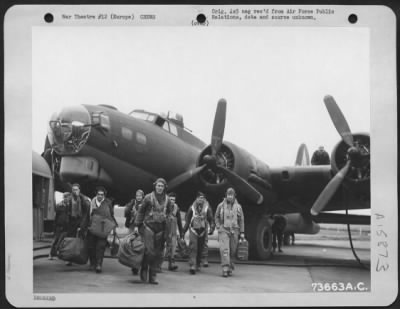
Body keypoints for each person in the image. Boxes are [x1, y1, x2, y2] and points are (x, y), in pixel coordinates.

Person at [133, 178, 172, 284]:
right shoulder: (148, 198)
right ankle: (144, 269)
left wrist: (169, 230)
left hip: (161, 230)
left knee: (158, 254)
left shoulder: (168, 200)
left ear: (164, 188)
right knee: (149, 251)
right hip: (149, 227)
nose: (159, 188)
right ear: (155, 186)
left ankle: (153, 275)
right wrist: (137, 225)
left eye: (162, 186)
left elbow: (170, 215)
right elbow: (141, 212)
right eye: (158, 186)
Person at [87, 186, 118, 273]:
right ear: (96, 195)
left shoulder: (108, 203)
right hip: (92, 228)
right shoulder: (91, 203)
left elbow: (111, 215)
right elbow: (87, 216)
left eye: (102, 194)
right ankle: (92, 263)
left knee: (101, 247)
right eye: (98, 194)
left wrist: (114, 226)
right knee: (91, 247)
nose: (100, 196)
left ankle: (99, 265)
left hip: (102, 229)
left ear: (104, 195)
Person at [215, 188, 245, 278]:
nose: (230, 196)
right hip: (224, 229)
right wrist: (218, 226)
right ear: (226, 195)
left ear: (234, 196)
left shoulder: (239, 207)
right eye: (228, 195)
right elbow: (216, 216)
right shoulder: (220, 206)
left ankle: (230, 266)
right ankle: (225, 268)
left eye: (231, 195)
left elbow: (241, 220)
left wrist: (242, 232)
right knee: (224, 249)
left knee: (232, 250)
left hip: (235, 230)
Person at [183, 191, 215, 275]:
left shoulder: (207, 208)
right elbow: (187, 220)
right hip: (193, 230)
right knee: (193, 247)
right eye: (199, 198)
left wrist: (212, 227)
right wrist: (183, 232)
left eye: (202, 198)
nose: (201, 200)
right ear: (196, 199)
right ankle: (192, 265)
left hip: (203, 231)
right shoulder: (192, 208)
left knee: (200, 248)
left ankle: (197, 263)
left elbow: (211, 218)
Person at [65, 183, 90, 266]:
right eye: (73, 189)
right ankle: (70, 259)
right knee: (71, 240)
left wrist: (81, 198)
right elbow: (65, 210)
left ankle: (83, 257)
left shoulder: (83, 199)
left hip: (81, 221)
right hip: (71, 222)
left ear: (79, 190)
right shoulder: (69, 199)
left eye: (76, 189)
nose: (74, 191)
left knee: (82, 240)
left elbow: (86, 209)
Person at [123, 189, 145, 275]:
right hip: (132, 226)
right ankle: (133, 265)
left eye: (140, 196)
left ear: (142, 196)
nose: (138, 197)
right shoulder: (132, 203)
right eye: (137, 196)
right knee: (131, 245)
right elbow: (126, 212)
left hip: (141, 227)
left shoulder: (145, 204)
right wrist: (130, 208)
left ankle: (138, 265)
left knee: (139, 245)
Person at [164, 192, 184, 271]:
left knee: (172, 249)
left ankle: (171, 265)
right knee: (162, 249)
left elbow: (179, 222)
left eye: (174, 200)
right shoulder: (163, 207)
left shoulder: (176, 208)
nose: (172, 201)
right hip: (164, 232)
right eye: (171, 199)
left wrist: (181, 233)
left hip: (173, 232)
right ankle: (157, 265)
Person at [48, 192, 70, 260]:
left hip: (67, 226)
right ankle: (51, 254)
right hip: (59, 225)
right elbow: (56, 217)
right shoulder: (59, 206)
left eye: (68, 197)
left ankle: (62, 255)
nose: (67, 199)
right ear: (64, 198)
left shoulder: (71, 206)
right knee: (55, 240)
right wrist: (54, 226)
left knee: (64, 242)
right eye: (65, 197)